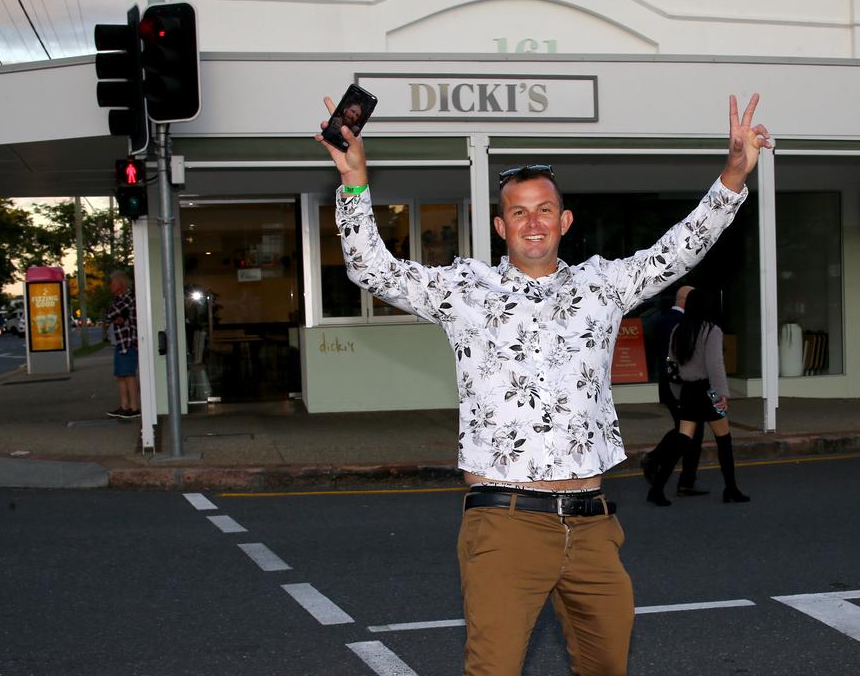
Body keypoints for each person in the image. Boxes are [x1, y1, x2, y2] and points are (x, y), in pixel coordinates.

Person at [315, 92, 770, 675]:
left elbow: (677, 250)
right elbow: (372, 269)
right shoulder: (466, 289)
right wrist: (354, 182)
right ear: (502, 226)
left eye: (545, 209)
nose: (534, 222)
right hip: (505, 522)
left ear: (564, 220)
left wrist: (733, 175)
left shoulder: (603, 284)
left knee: (608, 668)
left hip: (592, 524)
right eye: (520, 213)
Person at [645, 287, 751, 506]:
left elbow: (672, 365)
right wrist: (722, 395)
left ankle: (656, 489)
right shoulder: (712, 331)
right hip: (709, 391)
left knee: (683, 439)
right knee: (724, 439)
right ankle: (731, 489)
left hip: (688, 392)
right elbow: (715, 366)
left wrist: (678, 394)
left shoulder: (679, 330)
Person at [642, 284, 709, 496]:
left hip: (668, 384)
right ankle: (675, 473)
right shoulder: (685, 324)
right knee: (691, 431)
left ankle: (663, 465)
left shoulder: (660, 321)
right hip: (684, 385)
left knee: (685, 429)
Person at [104, 270, 141, 423]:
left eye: (112, 283)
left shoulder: (128, 298)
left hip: (128, 342)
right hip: (120, 342)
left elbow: (110, 313)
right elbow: (113, 316)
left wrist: (116, 317)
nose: (110, 286)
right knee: (120, 375)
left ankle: (133, 407)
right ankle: (124, 406)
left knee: (128, 374)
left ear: (120, 283)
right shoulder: (120, 299)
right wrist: (116, 317)